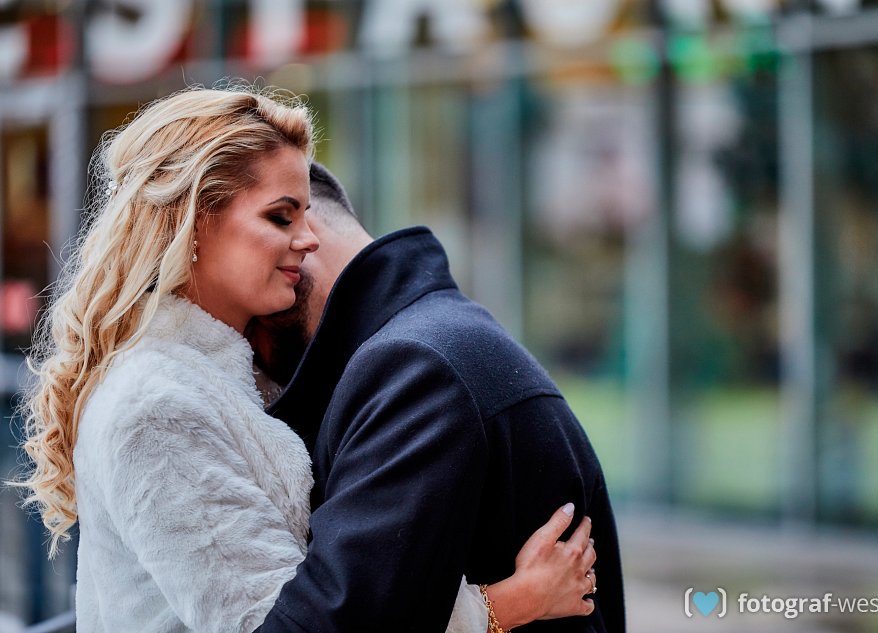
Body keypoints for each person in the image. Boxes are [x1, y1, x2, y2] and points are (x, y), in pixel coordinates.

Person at [11, 86, 597, 633]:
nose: (309, 238)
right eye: (281, 216)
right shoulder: (159, 405)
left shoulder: (209, 381)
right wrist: (507, 605)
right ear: (193, 222)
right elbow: (287, 624)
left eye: (305, 214)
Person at [246, 162, 626, 633]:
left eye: (241, 316)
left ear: (298, 228)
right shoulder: (429, 345)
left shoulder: (414, 368)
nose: (244, 348)